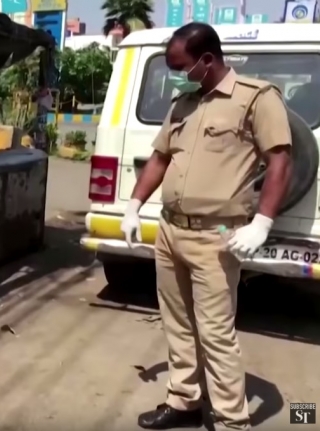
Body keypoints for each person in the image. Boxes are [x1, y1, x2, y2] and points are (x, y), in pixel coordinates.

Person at [120, 23, 291, 431]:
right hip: (170, 231)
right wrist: (132, 205)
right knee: (176, 323)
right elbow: (160, 158)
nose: (179, 74)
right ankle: (184, 401)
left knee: (215, 333)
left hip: (215, 236)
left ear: (207, 59)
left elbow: (281, 160)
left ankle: (233, 421)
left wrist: (263, 222)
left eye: (183, 66)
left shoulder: (256, 98)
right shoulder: (184, 103)